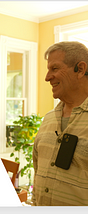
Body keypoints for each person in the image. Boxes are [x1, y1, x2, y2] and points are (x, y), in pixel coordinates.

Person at [32, 41, 88, 206]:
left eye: (54, 69)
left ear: (81, 69)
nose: (47, 77)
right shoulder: (48, 119)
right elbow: (37, 174)